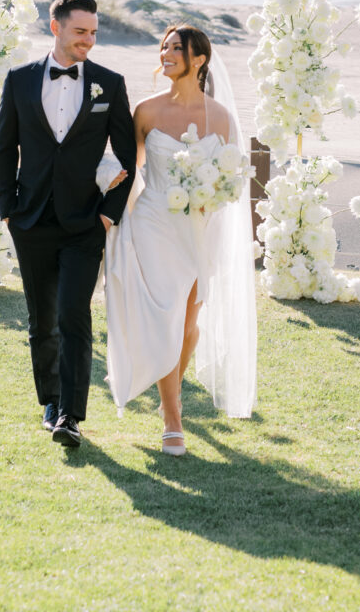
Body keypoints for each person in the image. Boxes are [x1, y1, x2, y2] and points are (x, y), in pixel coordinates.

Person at [105, 24, 257, 455]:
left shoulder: (221, 117)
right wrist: (116, 218)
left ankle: (169, 393)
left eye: (176, 48)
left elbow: (231, 178)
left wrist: (213, 197)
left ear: (199, 59)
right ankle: (173, 416)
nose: (166, 53)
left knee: (188, 327)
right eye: (164, 47)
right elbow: (128, 170)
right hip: (153, 222)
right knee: (165, 318)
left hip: (199, 231)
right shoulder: (146, 111)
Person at [0, 0, 136, 450]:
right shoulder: (18, 81)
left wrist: (109, 215)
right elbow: (3, 149)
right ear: (55, 28)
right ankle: (50, 403)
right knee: (42, 320)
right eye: (80, 32)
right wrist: (7, 210)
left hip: (84, 223)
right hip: (30, 220)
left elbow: (129, 155)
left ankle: (71, 416)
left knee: (74, 314)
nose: (89, 41)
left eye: (94, 33)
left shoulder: (109, 84)